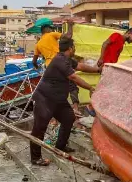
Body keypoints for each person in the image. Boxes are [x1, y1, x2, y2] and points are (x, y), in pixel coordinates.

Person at [30, 36, 100, 165]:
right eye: (74, 47)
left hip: (58, 100)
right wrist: (90, 87)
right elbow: (73, 77)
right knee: (39, 128)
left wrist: (98, 69)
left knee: (68, 118)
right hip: (45, 98)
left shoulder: (66, 60)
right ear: (71, 48)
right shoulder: (60, 60)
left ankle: (60, 147)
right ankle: (35, 158)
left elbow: (80, 66)